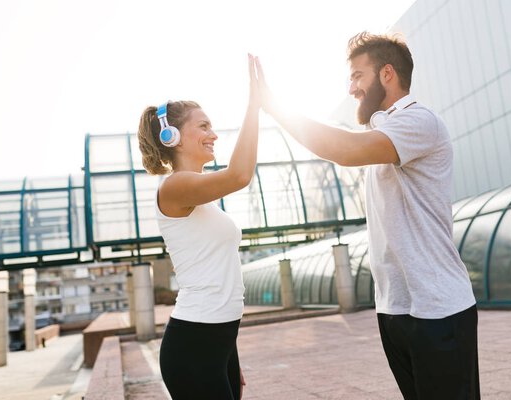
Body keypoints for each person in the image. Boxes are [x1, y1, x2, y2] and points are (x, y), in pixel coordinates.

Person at [251, 32, 480, 399]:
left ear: (387, 73)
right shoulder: (384, 130)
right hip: (396, 308)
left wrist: (276, 107)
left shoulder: (418, 120)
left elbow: (342, 149)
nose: (352, 87)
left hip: (438, 309)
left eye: (358, 75)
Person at [136, 54, 260, 400]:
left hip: (216, 342)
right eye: (204, 126)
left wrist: (227, 356)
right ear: (171, 136)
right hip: (193, 346)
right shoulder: (174, 187)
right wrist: (255, 105)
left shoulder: (201, 195)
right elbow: (239, 175)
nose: (214, 134)